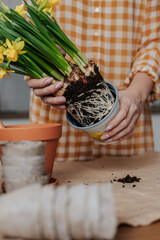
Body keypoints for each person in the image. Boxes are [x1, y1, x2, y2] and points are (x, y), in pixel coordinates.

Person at [26, 0, 160, 161]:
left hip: (126, 118)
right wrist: (38, 66)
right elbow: (28, 35)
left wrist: (137, 93)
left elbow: (155, 42)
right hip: (56, 127)